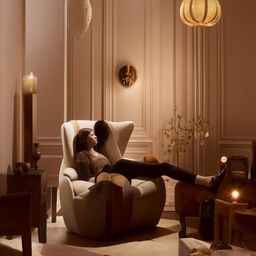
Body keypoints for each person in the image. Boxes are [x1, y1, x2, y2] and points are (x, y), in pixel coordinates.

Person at [73, 121, 226, 190]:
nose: (95, 136)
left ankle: (206, 181)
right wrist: (103, 177)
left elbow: (104, 131)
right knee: (125, 164)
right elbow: (85, 178)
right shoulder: (82, 155)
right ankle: (206, 181)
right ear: (84, 139)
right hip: (105, 179)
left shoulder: (99, 151)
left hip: (117, 174)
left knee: (163, 167)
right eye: (92, 135)